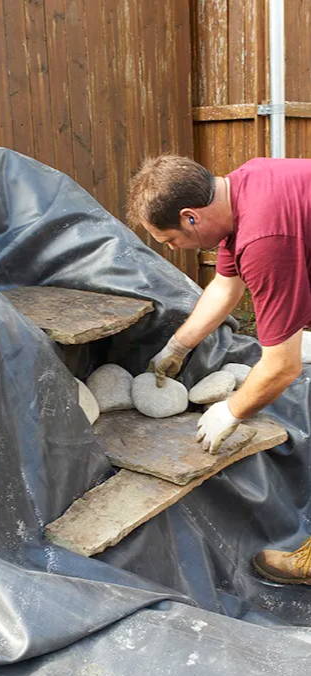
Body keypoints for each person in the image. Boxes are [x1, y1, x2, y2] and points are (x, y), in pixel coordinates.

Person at [127, 154, 311, 585]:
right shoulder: (243, 187)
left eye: (170, 239)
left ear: (191, 217)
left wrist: (231, 411)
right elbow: (226, 285)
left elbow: (282, 367)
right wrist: (178, 346)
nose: (173, 249)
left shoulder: (266, 239)